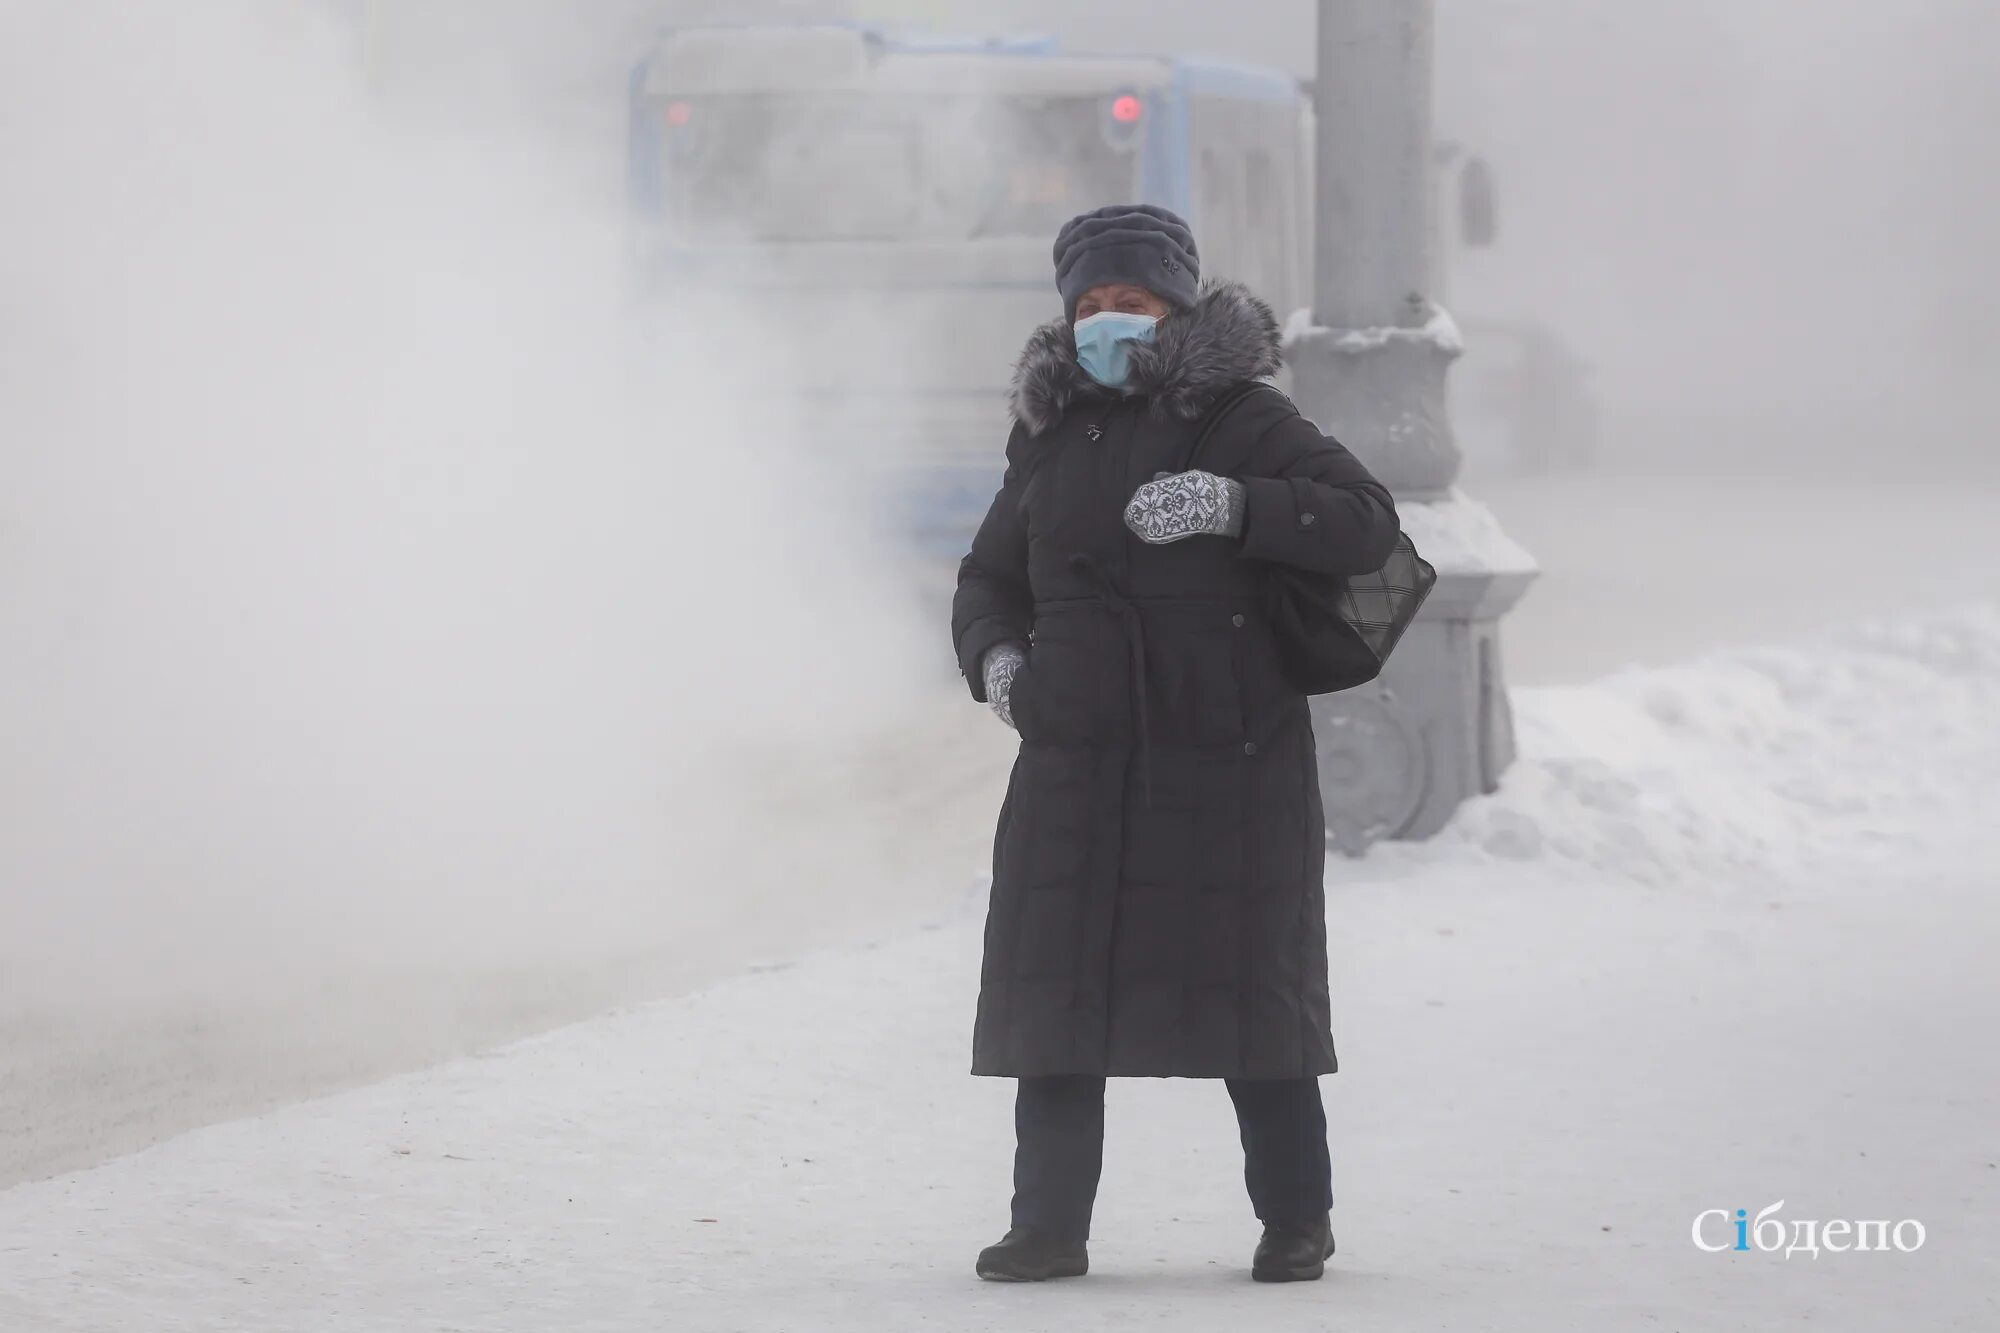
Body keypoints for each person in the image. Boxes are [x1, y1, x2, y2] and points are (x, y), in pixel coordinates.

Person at [952, 204, 1402, 1284]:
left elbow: (1363, 521)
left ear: (1177, 308)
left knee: (1253, 1001)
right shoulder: (1049, 433)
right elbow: (987, 580)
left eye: (1134, 301)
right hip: (1073, 756)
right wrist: (998, 665)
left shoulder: (1239, 415)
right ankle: (1045, 1227)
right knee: (1057, 999)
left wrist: (1232, 504)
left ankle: (1296, 1218)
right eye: (1093, 304)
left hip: (1224, 758)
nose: (1111, 320)